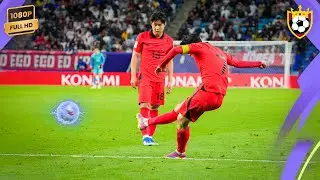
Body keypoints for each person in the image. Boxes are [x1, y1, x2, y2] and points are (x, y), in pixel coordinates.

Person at [137, 34, 266, 158]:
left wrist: (161, 65)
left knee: (181, 120)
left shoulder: (198, 46)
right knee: (179, 109)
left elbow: (175, 50)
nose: (192, 56)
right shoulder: (219, 51)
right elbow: (238, 63)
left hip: (207, 92)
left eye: (190, 54)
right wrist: (258, 63)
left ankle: (178, 151)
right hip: (219, 97)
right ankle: (147, 122)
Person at [130, 11, 174, 146]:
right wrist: (133, 76)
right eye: (155, 25)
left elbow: (170, 61)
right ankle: (145, 137)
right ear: (151, 24)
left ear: (164, 25)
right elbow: (135, 56)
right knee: (144, 104)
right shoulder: (142, 37)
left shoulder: (169, 41)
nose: (157, 28)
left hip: (160, 78)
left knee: (155, 107)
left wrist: (170, 79)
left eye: (160, 25)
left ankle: (149, 136)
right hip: (145, 77)